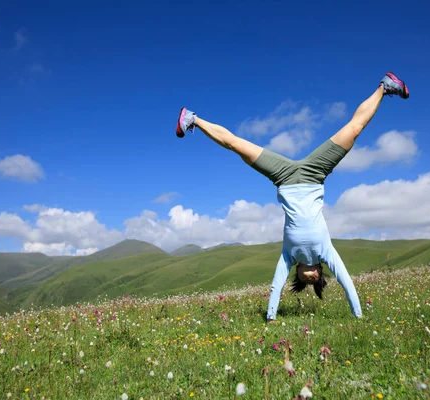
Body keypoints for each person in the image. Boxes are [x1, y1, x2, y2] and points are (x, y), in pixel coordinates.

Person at [175, 72, 409, 322]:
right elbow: (347, 282)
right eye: (315, 279)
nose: (309, 278)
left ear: (295, 273)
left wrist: (271, 318)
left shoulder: (288, 255)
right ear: (320, 271)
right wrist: (359, 317)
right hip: (314, 173)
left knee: (236, 145)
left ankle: (193, 119)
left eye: (303, 280)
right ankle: (385, 86)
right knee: (354, 129)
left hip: (284, 177)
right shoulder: (326, 252)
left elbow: (276, 286)